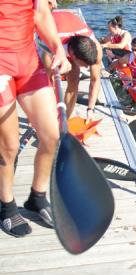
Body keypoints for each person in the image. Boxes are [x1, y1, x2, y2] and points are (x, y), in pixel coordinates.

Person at [0, 0, 71, 237]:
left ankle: (37, 198)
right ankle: (7, 206)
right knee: (8, 146)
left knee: (52, 136)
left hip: (28, 59)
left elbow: (40, 12)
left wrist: (58, 48)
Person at [41, 10, 102, 120]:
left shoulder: (96, 48)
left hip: (71, 33)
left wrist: (90, 109)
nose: (87, 68)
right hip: (51, 32)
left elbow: (95, 79)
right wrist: (58, 73)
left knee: (74, 79)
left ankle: (65, 120)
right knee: (49, 81)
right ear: (72, 56)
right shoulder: (50, 46)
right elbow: (48, 84)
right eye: (85, 65)